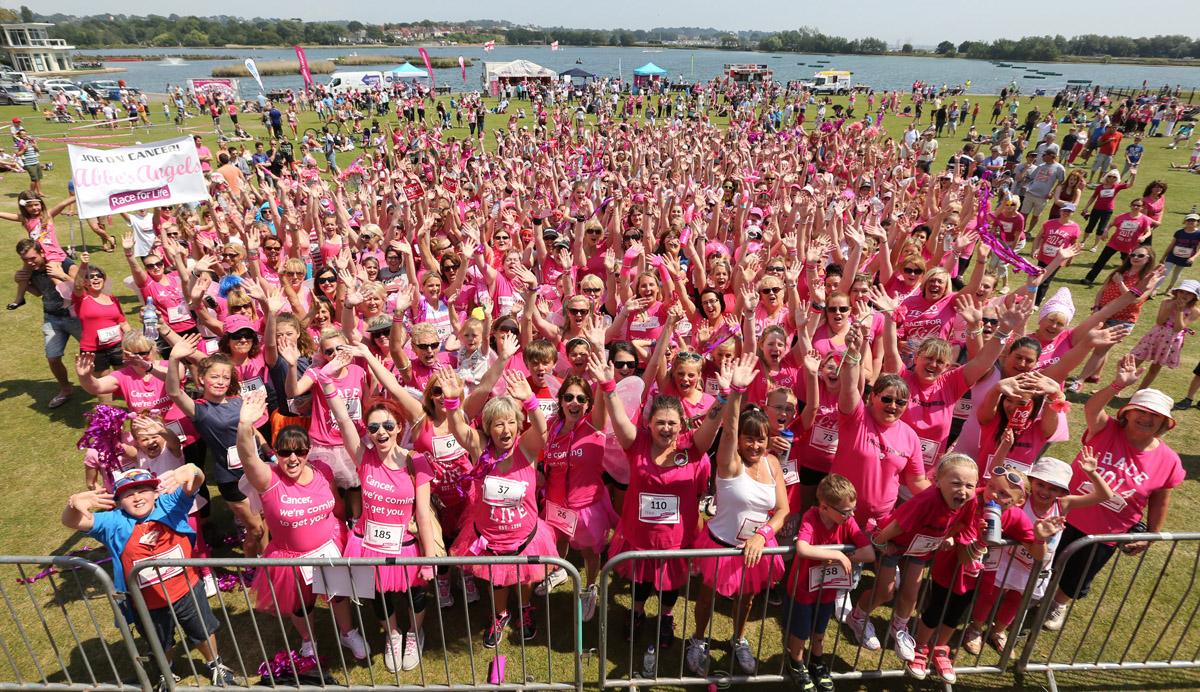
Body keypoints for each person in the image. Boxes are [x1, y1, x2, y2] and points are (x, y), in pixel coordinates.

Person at [1042, 358, 1185, 631]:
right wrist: (1118, 384)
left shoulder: (1169, 460)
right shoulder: (1105, 429)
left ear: (1165, 423)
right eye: (1141, 412)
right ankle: (1028, 594)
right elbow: (1092, 407)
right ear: (1127, 413)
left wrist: (1152, 534)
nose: (1146, 418)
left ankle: (1057, 604)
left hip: (1108, 531)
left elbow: (1160, 499)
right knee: (1042, 561)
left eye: (1155, 416)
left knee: (1079, 576)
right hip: (1063, 515)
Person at [60, 467, 237, 687]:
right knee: (160, 642)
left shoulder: (170, 505)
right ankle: (167, 671)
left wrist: (194, 470)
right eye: (128, 494)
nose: (137, 498)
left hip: (188, 590)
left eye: (143, 490)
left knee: (202, 631)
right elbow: (72, 522)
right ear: (118, 501)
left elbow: (196, 482)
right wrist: (73, 503)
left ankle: (215, 664)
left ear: (155, 492)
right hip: (146, 603)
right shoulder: (113, 522)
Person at [234, 391, 368, 660]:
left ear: (308, 452)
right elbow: (249, 459)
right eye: (285, 452)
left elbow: (337, 507)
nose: (293, 458)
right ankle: (309, 640)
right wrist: (244, 427)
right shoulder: (268, 480)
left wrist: (345, 529)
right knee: (300, 605)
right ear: (277, 453)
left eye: (300, 451)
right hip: (289, 558)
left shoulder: (323, 471)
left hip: (328, 547)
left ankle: (348, 633)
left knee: (338, 596)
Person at [684, 355, 788, 676]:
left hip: (755, 548)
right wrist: (738, 392)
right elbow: (728, 430)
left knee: (747, 599)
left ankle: (739, 638)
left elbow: (782, 510)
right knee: (706, 597)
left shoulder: (772, 464)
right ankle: (698, 639)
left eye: (760, 438)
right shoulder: (730, 463)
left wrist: (764, 535)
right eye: (749, 438)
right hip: (720, 544)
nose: (754, 445)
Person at [781, 474, 874, 692]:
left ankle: (817, 661)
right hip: (804, 589)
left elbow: (869, 553)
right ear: (824, 507)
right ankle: (796, 664)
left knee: (820, 631)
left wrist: (847, 559)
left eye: (853, 509)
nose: (851, 514)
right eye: (845, 511)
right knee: (800, 631)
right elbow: (803, 548)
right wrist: (838, 556)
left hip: (827, 590)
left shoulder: (848, 522)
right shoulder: (811, 517)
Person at [13, 238, 79, 408]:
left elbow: (82, 286)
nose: (29, 262)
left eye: (32, 258)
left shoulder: (64, 264)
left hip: (76, 317)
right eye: (25, 260)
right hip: (52, 318)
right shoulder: (30, 270)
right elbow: (38, 293)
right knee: (53, 357)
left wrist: (61, 275)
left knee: (97, 353)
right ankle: (66, 389)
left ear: (42, 252)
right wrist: (24, 284)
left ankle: (115, 384)